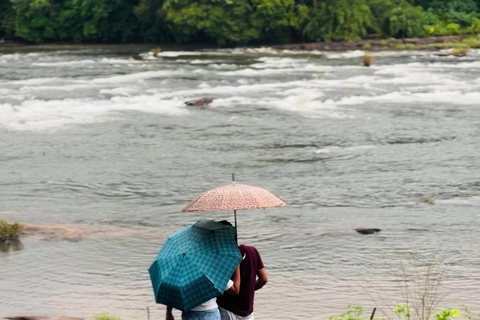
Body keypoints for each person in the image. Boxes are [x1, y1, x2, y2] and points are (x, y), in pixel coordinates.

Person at [166, 264, 240, 320]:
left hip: (189, 314)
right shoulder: (212, 270)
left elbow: (172, 292)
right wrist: (237, 267)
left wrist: (169, 312)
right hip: (210, 313)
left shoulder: (182, 270)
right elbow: (235, 290)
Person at [217, 245, 268, 320]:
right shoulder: (252, 251)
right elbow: (264, 279)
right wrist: (249, 290)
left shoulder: (222, 255)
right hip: (247, 311)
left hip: (226, 308)